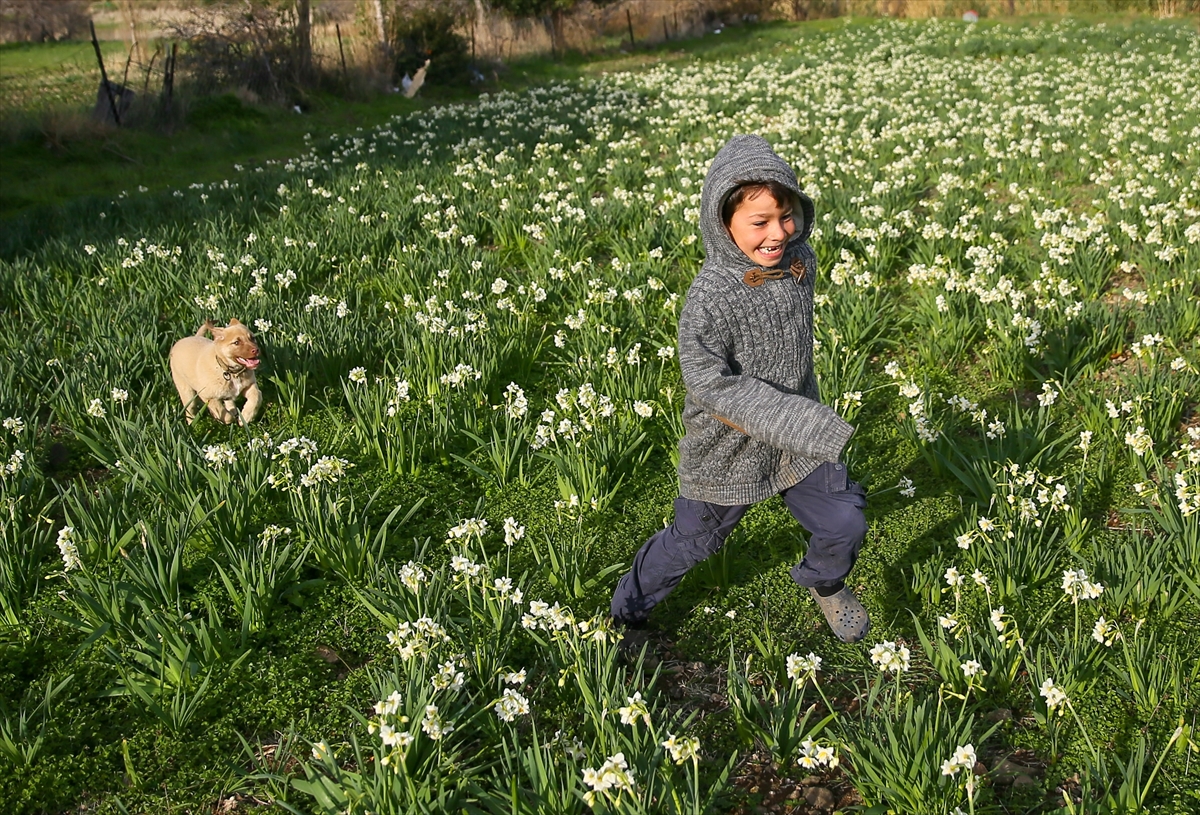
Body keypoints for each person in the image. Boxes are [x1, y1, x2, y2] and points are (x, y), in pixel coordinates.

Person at [609, 134, 870, 643]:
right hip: (728, 447)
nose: (778, 233)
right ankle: (626, 615)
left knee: (844, 522)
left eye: (787, 215)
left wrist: (800, 413)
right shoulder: (710, 297)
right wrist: (801, 419)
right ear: (721, 223)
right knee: (693, 542)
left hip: (796, 432)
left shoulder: (799, 262)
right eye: (760, 223)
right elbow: (708, 384)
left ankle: (824, 582)